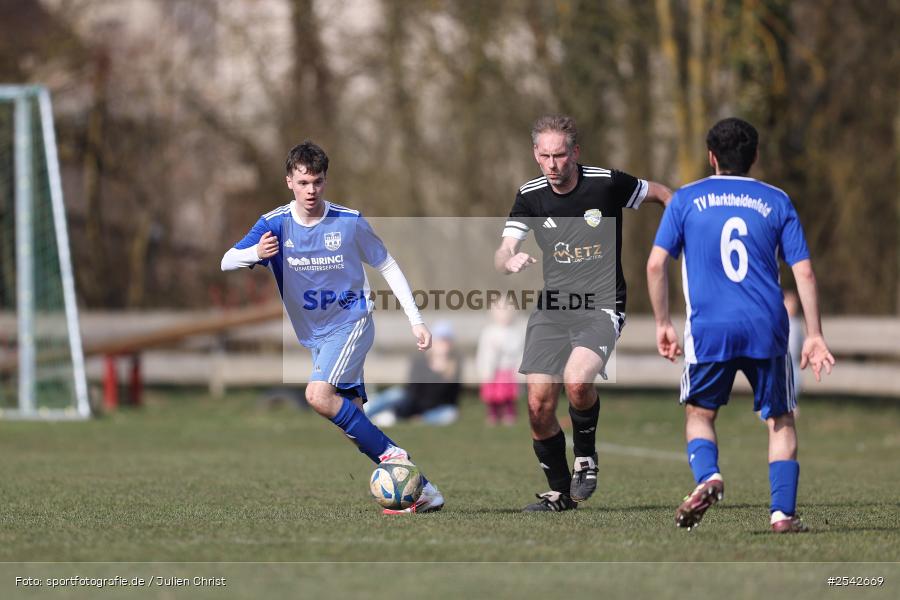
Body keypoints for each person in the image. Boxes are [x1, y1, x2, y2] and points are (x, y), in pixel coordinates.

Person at [221, 140, 444, 514]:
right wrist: (255, 254)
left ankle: (396, 456)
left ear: (326, 181)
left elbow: (387, 264)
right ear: (289, 181)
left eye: (318, 182)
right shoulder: (274, 224)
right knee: (352, 420)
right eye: (304, 182)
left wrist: (416, 320)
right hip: (316, 336)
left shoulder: (348, 221)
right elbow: (227, 261)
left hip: (352, 321)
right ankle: (423, 490)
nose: (312, 191)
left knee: (317, 395)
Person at [646, 117, 835, 533]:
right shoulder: (777, 200)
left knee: (700, 413)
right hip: (767, 326)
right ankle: (782, 514)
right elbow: (804, 273)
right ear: (755, 157)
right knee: (780, 418)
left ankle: (709, 476)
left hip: (710, 328)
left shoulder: (686, 200)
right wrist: (816, 335)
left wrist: (663, 322)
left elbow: (656, 263)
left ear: (711, 157)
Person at [494, 115, 672, 512]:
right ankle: (560, 493)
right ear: (535, 156)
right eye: (545, 156)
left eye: (560, 155)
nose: (553, 164)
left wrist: (683, 229)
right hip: (553, 308)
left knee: (576, 381)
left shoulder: (607, 183)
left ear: (575, 152)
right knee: (539, 405)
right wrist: (509, 260)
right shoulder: (530, 195)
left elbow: (663, 194)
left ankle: (586, 458)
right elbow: (503, 249)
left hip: (603, 303)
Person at [365, 321, 462, 427]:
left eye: (446, 341)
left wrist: (443, 371)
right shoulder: (420, 360)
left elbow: (450, 398)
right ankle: (366, 411)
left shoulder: (455, 365)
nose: (443, 345)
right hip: (411, 403)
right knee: (397, 393)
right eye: (441, 340)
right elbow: (413, 389)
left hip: (432, 410)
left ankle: (413, 419)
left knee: (450, 413)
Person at [476, 298, 524, 426]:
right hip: (493, 369)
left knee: (508, 393)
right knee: (493, 393)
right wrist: (484, 368)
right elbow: (484, 352)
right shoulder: (488, 331)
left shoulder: (516, 332)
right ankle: (493, 412)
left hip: (508, 368)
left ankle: (509, 412)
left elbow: (518, 350)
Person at [784, 290, 805, 400]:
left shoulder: (797, 323)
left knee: (796, 380)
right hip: (781, 358)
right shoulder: (780, 321)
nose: (792, 306)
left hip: (794, 360)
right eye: (789, 303)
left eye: (794, 304)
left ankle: (792, 401)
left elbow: (802, 340)